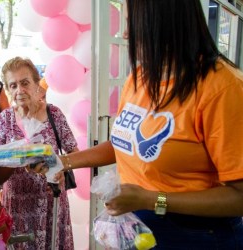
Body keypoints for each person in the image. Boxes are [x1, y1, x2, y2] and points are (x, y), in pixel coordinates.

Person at [55, 0, 243, 249]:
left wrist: (153, 199)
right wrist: (62, 162)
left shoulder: (222, 88)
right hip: (142, 228)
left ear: (163, 21)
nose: (124, 33)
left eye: (131, 22)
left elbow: (239, 196)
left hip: (198, 235)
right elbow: (123, 143)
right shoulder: (139, 78)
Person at [0, 56, 77, 249]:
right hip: (17, 204)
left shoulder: (53, 114)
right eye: (13, 86)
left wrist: (61, 167)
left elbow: (74, 151)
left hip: (50, 200)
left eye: (25, 83)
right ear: (7, 90)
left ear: (37, 85)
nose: (19, 90)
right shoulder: (6, 118)